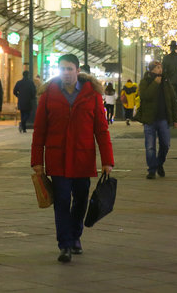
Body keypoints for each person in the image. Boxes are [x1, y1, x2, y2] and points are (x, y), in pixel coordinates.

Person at [31, 53, 114, 263]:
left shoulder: (92, 95)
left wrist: (107, 161)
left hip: (82, 158)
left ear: (78, 71)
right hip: (57, 157)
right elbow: (39, 130)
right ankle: (65, 244)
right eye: (63, 69)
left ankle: (76, 235)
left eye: (70, 69)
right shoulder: (49, 94)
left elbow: (101, 130)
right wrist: (37, 162)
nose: (66, 73)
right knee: (61, 201)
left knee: (80, 200)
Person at [137, 60, 177, 179]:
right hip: (149, 119)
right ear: (151, 70)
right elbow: (145, 96)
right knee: (150, 146)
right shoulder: (145, 81)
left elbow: (173, 100)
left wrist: (176, 119)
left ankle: (159, 163)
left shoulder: (166, 82)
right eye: (157, 68)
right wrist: (155, 83)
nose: (160, 69)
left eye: (160, 67)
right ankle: (151, 170)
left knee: (166, 144)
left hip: (163, 119)